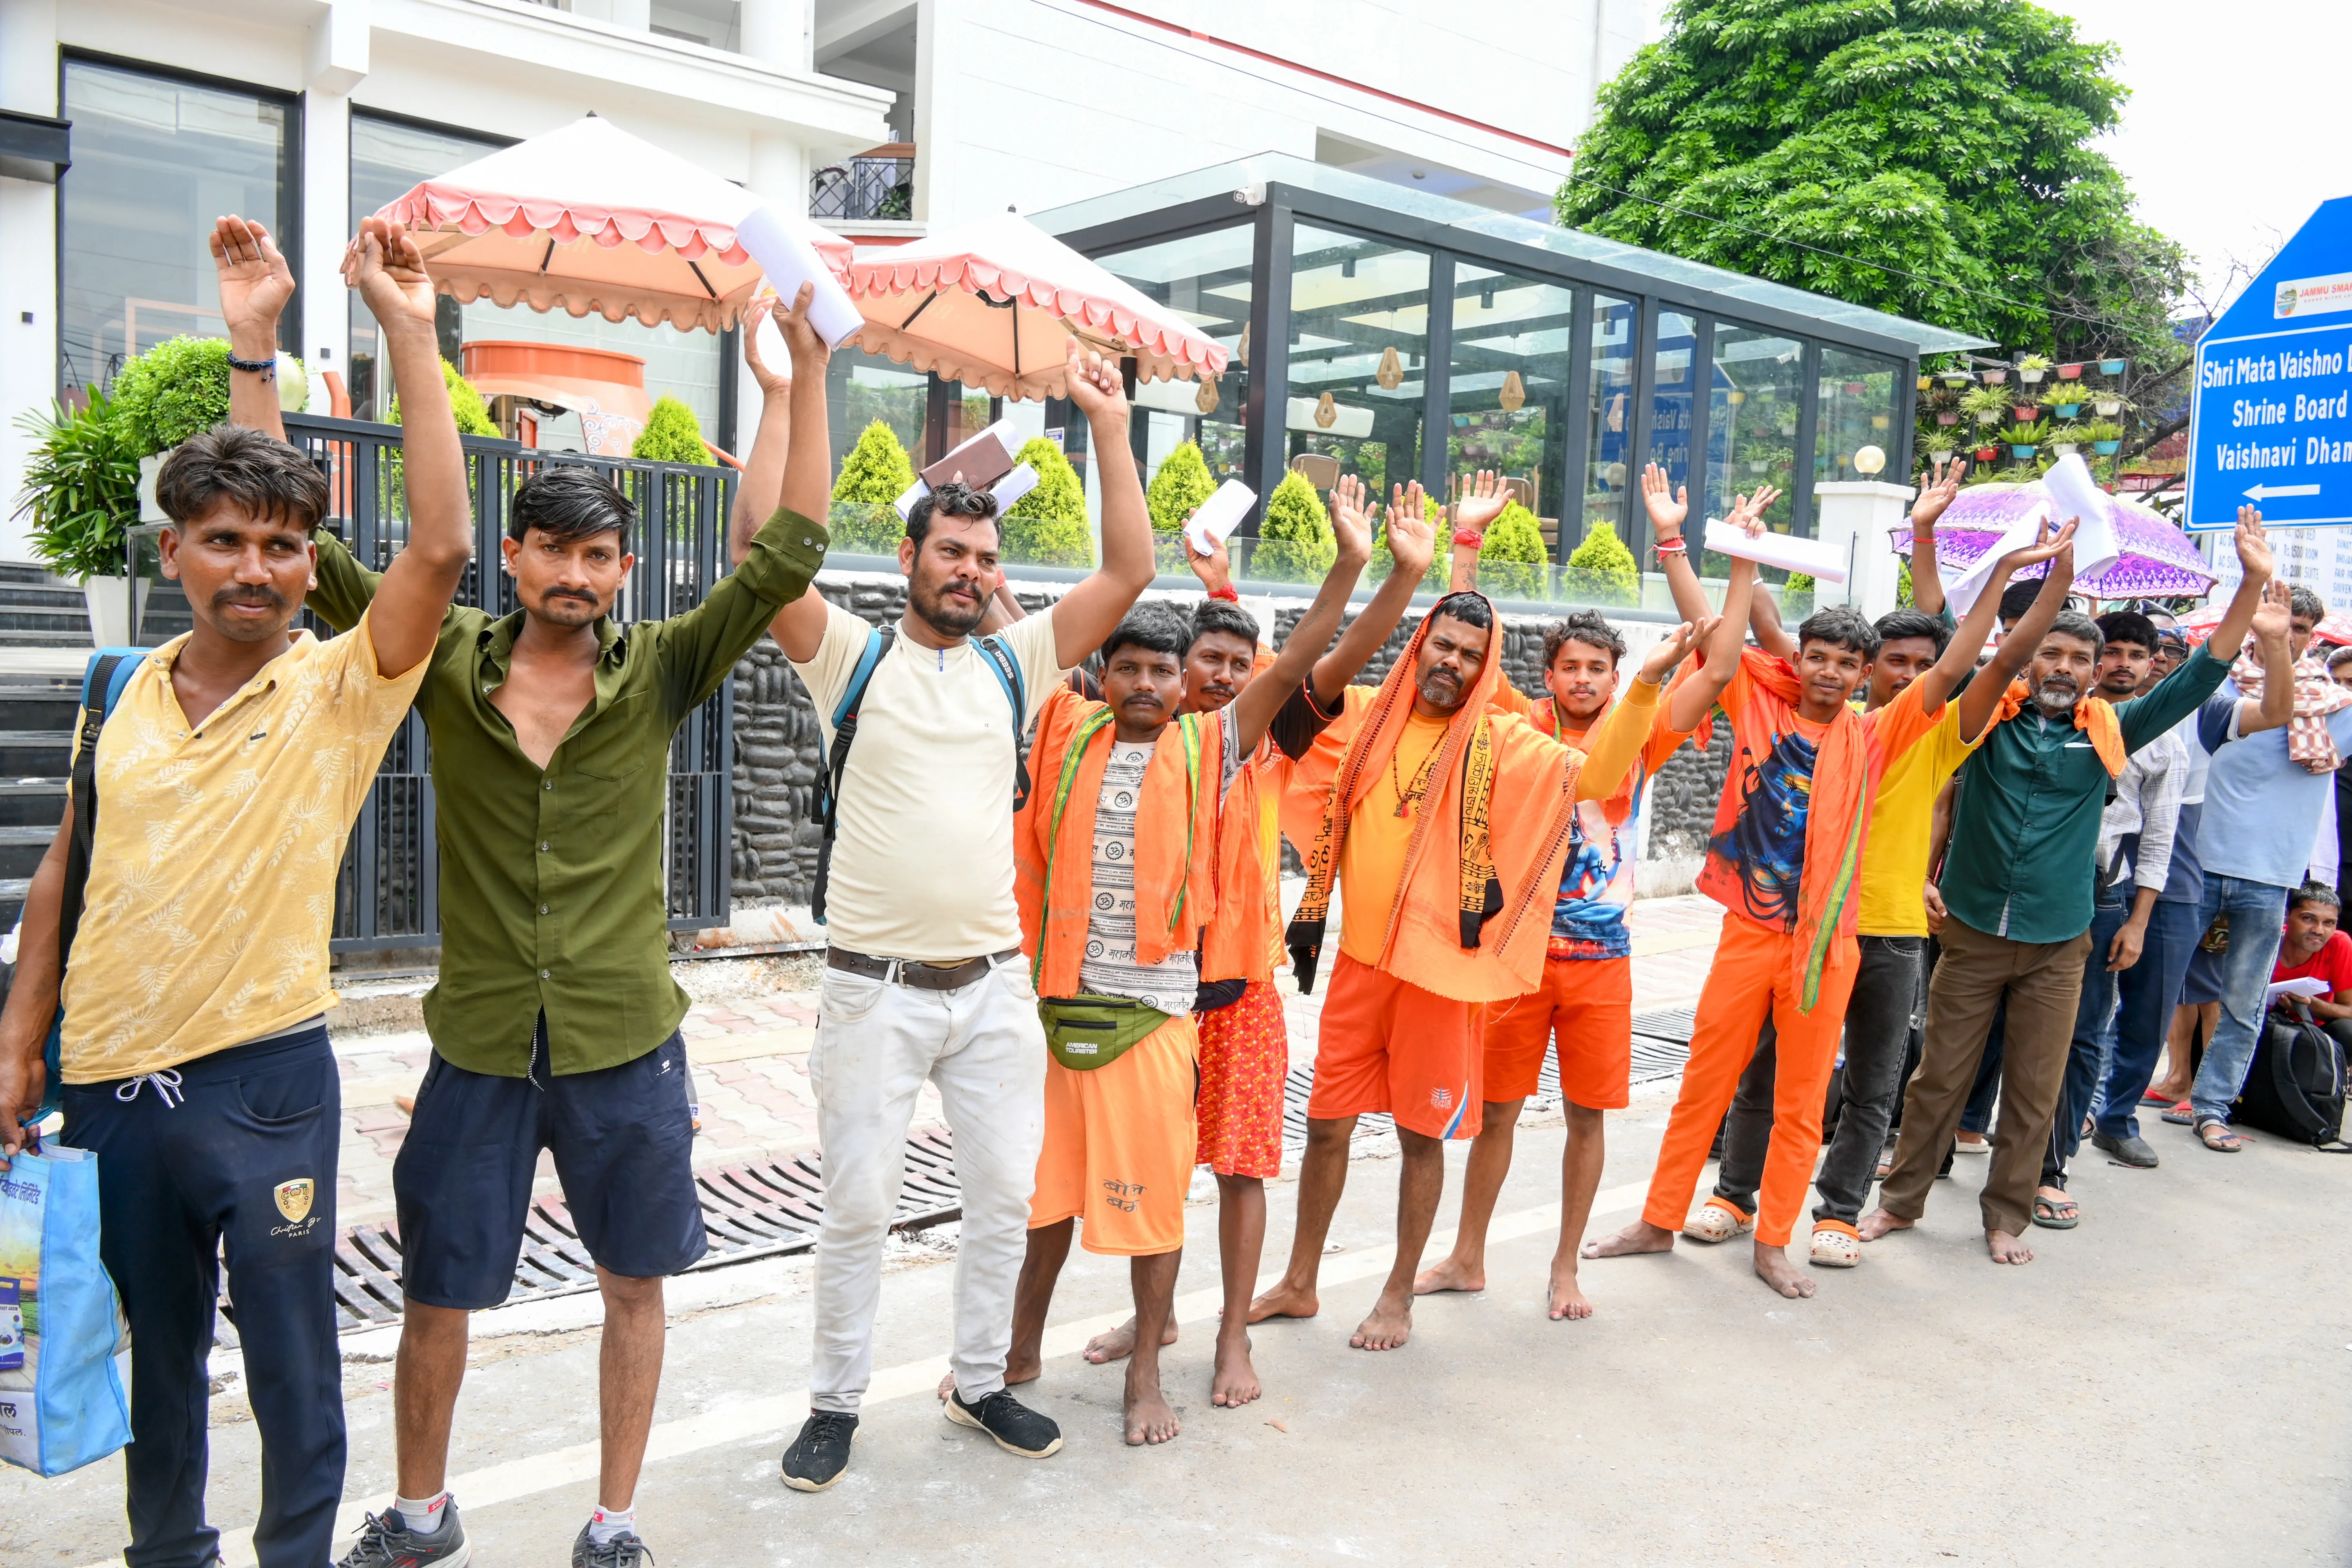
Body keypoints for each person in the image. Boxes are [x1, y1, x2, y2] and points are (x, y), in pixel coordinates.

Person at [285, 272, 831, 1565]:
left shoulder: (666, 671)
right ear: (515, 552)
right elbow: (314, 553)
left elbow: (789, 550)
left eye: (599, 555)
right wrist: (308, 344)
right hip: (478, 1045)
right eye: (553, 550)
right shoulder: (437, 657)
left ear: (622, 567)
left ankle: (613, 1520)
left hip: (626, 1046)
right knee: (437, 1290)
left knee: (633, 1284)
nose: (575, 575)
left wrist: (803, 372)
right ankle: (423, 1512)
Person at [0, 216, 468, 1568]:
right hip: (107, 1083)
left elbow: (436, 549)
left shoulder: (335, 691)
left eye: (280, 546)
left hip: (262, 1084)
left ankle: (296, 1555)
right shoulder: (117, 692)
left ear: (307, 563)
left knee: (290, 1365)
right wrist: (20, 1041)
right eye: (222, 541)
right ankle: (168, 1552)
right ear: (173, 557)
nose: (253, 568)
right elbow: (63, 871)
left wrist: (409, 330)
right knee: (152, 1354)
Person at [764, 334, 1154, 1491]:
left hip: (993, 990)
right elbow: (770, 561)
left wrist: (1112, 427)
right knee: (857, 1210)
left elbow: (1127, 575)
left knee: (1002, 1199)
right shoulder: (851, 656)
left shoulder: (1015, 664)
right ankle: (835, 1404)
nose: (972, 572)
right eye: (952, 551)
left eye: (985, 557)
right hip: (871, 991)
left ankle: (980, 1381)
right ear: (911, 555)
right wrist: (801, 384)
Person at [1583, 498, 2054, 1296]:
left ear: (1866, 674)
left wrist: (2009, 578)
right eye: (1820, 656)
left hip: (1829, 942)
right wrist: (1692, 544)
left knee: (1803, 1100)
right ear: (1798, 658)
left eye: (1848, 662)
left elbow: (1952, 669)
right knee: (1709, 1080)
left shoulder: (1876, 735)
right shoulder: (1757, 703)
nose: (1831, 671)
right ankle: (1658, 1219)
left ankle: (1775, 1239)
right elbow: (1713, 630)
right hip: (1748, 933)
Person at [1245, 568, 1702, 1351]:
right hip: (1359, 963)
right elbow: (1284, 694)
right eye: (1443, 644)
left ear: (1487, 667)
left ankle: (1398, 1294)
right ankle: (1300, 1279)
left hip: (1442, 977)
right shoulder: (1362, 716)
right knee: (1324, 1128)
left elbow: (1593, 776)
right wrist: (1230, 591)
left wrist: (1649, 686)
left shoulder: (1503, 741)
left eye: (1470, 652)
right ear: (1419, 645)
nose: (1452, 660)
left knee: (1422, 1137)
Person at [1002, 498, 1368, 1445]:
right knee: (1043, 1204)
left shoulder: (1211, 747)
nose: (1144, 682)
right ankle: (1015, 1357)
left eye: (1161, 670)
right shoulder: (1066, 734)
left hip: (1158, 1018)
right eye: (1126, 666)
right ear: (1102, 675)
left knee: (1157, 1204)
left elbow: (1294, 665)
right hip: (1061, 1013)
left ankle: (1145, 1381)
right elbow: (1021, 641)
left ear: (1181, 686)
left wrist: (1352, 565)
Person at [1068, 474, 1438, 1408]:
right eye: (1213, 660)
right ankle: (1154, 1321)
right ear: (1170, 668)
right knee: (1151, 1179)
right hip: (1146, 1004)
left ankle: (1234, 1334)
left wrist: (1384, 570)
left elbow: (1339, 648)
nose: (1230, 675)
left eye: (1245, 662)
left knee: (1239, 1173)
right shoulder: (1130, 738)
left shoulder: (1260, 741)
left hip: (1240, 1000)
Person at [1864, 508, 2277, 1263]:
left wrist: (2251, 582)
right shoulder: (1986, 719)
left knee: (2035, 1090)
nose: (2061, 667)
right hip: (1975, 931)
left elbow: (2204, 672)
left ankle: (2005, 1218)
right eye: (2049, 653)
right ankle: (1901, 1201)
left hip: (2062, 942)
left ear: (2096, 675)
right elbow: (1975, 649)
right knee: (1938, 1078)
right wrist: (2057, 574)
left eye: (2076, 660)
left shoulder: (2114, 733)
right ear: (2030, 660)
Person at [1412, 467, 1722, 1318]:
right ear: (1549, 674)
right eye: (1571, 666)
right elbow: (1461, 639)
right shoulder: (1518, 725)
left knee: (1587, 1118)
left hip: (1603, 964)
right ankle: (1467, 1255)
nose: (1584, 679)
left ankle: (1563, 1268)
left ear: (1618, 676)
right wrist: (1464, 543)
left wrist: (1671, 541)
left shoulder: (1644, 730)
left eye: (1598, 668)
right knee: (1497, 1116)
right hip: (1514, 961)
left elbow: (1721, 653)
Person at [2175, 582, 2352, 1152]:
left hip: (2272, 874)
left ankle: (2213, 1107)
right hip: (2197, 861)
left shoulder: (2336, 707)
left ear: (2312, 636)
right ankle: (2107, 1102)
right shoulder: (2218, 689)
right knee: (2150, 987)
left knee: (2245, 1004)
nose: (2287, 635)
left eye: (2300, 629)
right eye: (2277, 623)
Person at [2034, 611, 2194, 1212]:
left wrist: (2137, 920)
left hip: (2104, 897)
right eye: (2115, 651)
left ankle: (2056, 1163)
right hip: (2031, 885)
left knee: (2084, 1033)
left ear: (2155, 663)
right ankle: (1967, 1129)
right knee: (1996, 1019)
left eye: (2137, 653)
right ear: (2095, 659)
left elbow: (2159, 838)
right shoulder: (2050, 713)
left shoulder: (2164, 739)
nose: (2124, 662)